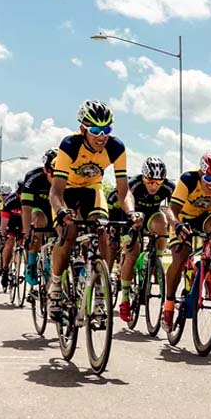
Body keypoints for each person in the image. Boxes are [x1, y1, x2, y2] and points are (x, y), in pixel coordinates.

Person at [48, 100, 142, 317]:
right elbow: (55, 192)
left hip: (92, 189)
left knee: (103, 229)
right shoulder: (70, 145)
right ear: (83, 129)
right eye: (95, 130)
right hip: (67, 191)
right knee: (68, 234)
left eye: (107, 129)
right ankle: (55, 286)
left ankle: (101, 288)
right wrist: (62, 211)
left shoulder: (116, 148)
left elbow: (123, 191)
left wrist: (131, 212)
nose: (102, 136)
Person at [164, 150, 211, 329]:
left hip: (206, 215)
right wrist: (177, 225)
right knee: (180, 258)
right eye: (209, 179)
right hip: (183, 216)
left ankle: (209, 270)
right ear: (201, 172)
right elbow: (172, 210)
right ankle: (169, 305)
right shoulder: (188, 179)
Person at [116, 157, 176, 323]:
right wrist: (133, 216)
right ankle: (125, 299)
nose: (153, 186)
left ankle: (155, 259)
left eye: (158, 182)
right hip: (131, 217)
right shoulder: (134, 183)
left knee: (162, 224)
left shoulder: (169, 187)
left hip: (151, 215)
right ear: (143, 177)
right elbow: (127, 198)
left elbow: (173, 209)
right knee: (132, 254)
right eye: (149, 181)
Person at [19, 149, 57, 287]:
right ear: (46, 169)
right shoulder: (33, 178)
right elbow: (26, 209)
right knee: (40, 222)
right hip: (37, 207)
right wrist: (27, 233)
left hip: (55, 208)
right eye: (53, 172)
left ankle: (51, 262)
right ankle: (32, 262)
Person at [0, 182, 22, 290]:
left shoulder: (30, 198)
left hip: (23, 223)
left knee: (24, 244)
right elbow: (4, 222)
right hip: (10, 223)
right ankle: (5, 268)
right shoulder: (10, 201)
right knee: (10, 242)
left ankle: (18, 266)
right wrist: (3, 234)